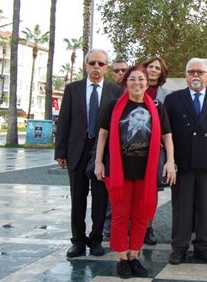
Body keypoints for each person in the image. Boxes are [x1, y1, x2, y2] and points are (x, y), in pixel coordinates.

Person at [94, 65, 176, 278]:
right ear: (125, 82)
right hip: (118, 170)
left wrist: (170, 161)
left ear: (147, 83)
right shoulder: (114, 106)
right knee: (120, 215)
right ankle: (122, 258)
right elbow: (102, 135)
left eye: (141, 79)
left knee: (142, 215)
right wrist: (98, 162)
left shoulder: (156, 107)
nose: (137, 82)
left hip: (145, 172)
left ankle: (134, 256)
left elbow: (167, 136)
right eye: (132, 79)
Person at [164, 58, 207, 265]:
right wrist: (169, 160)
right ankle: (179, 247)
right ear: (186, 75)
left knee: (206, 206)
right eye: (191, 71)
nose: (195, 75)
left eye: (200, 72)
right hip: (182, 162)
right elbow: (165, 133)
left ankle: (202, 246)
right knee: (182, 207)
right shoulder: (173, 99)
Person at [55, 48, 122, 258]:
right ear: (85, 66)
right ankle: (78, 241)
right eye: (92, 63)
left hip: (102, 153)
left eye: (100, 64)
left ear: (107, 68)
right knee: (78, 198)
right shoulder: (72, 89)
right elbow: (64, 121)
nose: (96, 67)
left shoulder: (115, 91)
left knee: (101, 199)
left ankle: (96, 240)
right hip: (76, 150)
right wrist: (60, 151)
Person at [141, 56, 173, 244]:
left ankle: (147, 228)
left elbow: (168, 126)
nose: (153, 70)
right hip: (132, 149)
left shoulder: (167, 96)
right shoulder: (132, 89)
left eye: (157, 68)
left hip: (155, 150)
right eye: (150, 67)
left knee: (150, 193)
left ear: (161, 73)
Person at [103, 59, 128, 240]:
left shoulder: (134, 92)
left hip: (131, 153)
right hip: (109, 151)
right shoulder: (109, 93)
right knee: (109, 196)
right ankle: (107, 228)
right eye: (117, 71)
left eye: (124, 71)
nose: (120, 74)